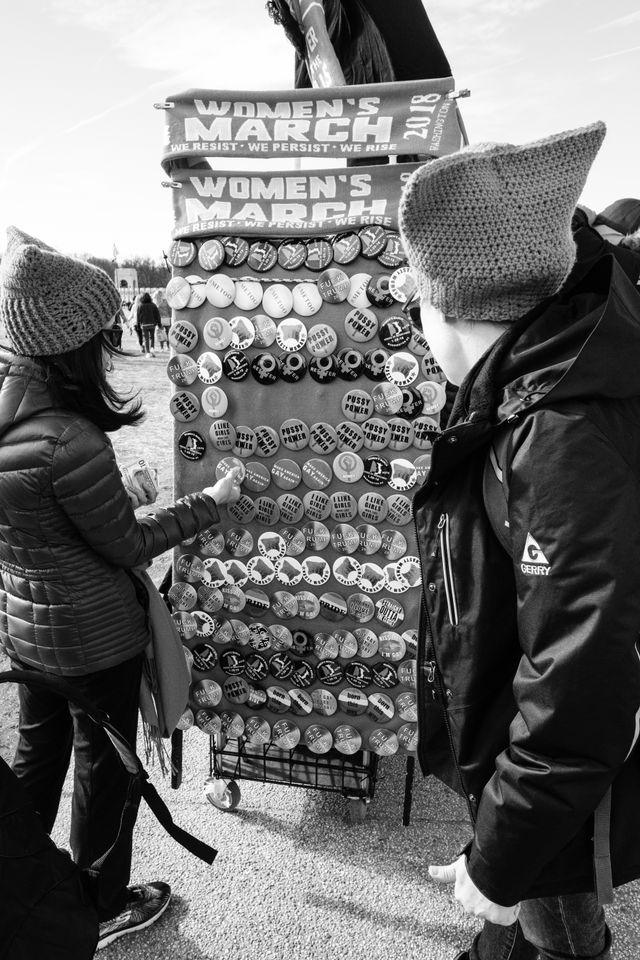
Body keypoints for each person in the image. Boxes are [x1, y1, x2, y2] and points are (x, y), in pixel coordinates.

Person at [398, 121, 640, 960]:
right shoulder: (528, 380)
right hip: (517, 745)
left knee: (559, 915)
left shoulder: (557, 434)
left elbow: (579, 680)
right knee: (535, 902)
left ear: (452, 307)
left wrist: (500, 858)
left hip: (547, 775)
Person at [0, 227, 242, 949]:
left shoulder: (14, 414)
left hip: (28, 632)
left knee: (35, 765)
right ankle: (101, 904)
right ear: (75, 342)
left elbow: (47, 525)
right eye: (102, 334)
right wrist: (212, 500)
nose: (110, 344)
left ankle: (20, 889)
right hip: (94, 641)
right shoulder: (70, 438)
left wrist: (116, 493)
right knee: (105, 772)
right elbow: (129, 545)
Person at [137, 290, 161, 358]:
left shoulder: (140, 305)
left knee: (146, 339)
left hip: (144, 325)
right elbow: (157, 315)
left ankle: (148, 352)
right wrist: (159, 324)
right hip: (152, 324)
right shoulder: (153, 305)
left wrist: (138, 325)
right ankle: (152, 348)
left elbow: (138, 316)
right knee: (152, 337)